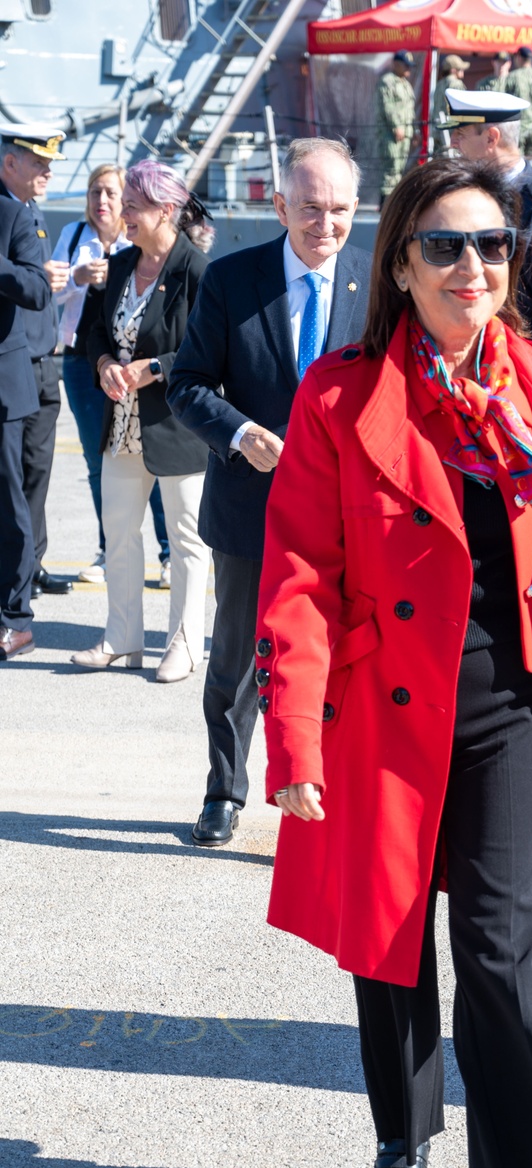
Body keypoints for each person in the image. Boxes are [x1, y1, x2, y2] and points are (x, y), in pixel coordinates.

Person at [254, 156, 532, 1168]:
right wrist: (293, 736)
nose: (471, 266)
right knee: (389, 944)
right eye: (444, 245)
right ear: (398, 263)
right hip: (386, 710)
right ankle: (404, 1130)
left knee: (502, 953)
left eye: (492, 244)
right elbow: (297, 574)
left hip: (510, 717)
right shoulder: (338, 397)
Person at [167, 138, 372, 850]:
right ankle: (224, 790)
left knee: (345, 658)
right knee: (238, 661)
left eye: (340, 208)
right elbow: (186, 383)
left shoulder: (379, 287)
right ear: (280, 204)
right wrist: (241, 432)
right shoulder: (232, 280)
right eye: (311, 207)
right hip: (252, 508)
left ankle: (324, 794)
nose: (326, 224)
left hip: (350, 516)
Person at [72, 161, 213, 682]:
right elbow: (94, 335)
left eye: (133, 205)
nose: (124, 214)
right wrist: (107, 364)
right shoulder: (121, 263)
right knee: (120, 534)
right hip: (122, 426)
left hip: (177, 428)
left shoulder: (196, 271)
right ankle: (122, 638)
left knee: (186, 540)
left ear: (166, 210)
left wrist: (154, 367)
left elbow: (210, 351)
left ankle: (184, 644)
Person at [51, 164, 172, 590]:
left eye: (110, 193)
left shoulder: (135, 244)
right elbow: (50, 286)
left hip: (131, 367)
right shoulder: (72, 237)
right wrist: (78, 279)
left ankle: (167, 551)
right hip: (82, 362)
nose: (101, 201)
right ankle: (109, 548)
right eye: (94, 192)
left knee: (150, 458)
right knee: (98, 459)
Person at [445, 88, 532, 359]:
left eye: (461, 134)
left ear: (492, 137)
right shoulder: (472, 196)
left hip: (513, 363)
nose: (453, 143)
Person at [0, 127, 72, 598]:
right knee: (15, 487)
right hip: (17, 364)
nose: (48, 171)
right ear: (10, 163)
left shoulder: (29, 211)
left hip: (38, 363)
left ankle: (27, 573)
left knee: (32, 482)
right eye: (39, 162)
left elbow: (36, 288)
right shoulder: (15, 210)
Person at [0, 192, 52, 660]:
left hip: (1, 383)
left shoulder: (12, 214)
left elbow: (37, 290)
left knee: (7, 499)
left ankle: (16, 619)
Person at [376, 52, 416, 205]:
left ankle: (393, 204)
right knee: (391, 168)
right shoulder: (387, 82)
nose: (408, 69)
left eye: (410, 66)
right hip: (390, 134)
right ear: (396, 63)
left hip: (404, 133)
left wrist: (414, 131)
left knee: (399, 169)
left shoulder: (405, 84)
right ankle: (385, 206)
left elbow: (409, 110)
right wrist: (396, 127)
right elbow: (388, 107)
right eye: (405, 65)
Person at [431, 54, 469, 154]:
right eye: (460, 69)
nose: (463, 71)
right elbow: (462, 109)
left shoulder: (439, 85)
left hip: (438, 130)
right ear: (453, 70)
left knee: (439, 164)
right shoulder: (456, 84)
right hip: (452, 132)